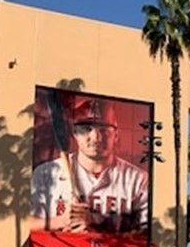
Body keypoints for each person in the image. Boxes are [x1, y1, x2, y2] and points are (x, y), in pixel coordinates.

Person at [30, 97, 148, 233]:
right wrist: (58, 221)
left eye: (104, 130)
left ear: (116, 135)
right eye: (86, 129)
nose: (96, 137)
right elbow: (24, 223)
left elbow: (148, 234)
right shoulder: (46, 172)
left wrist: (96, 226)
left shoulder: (138, 179)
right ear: (74, 133)